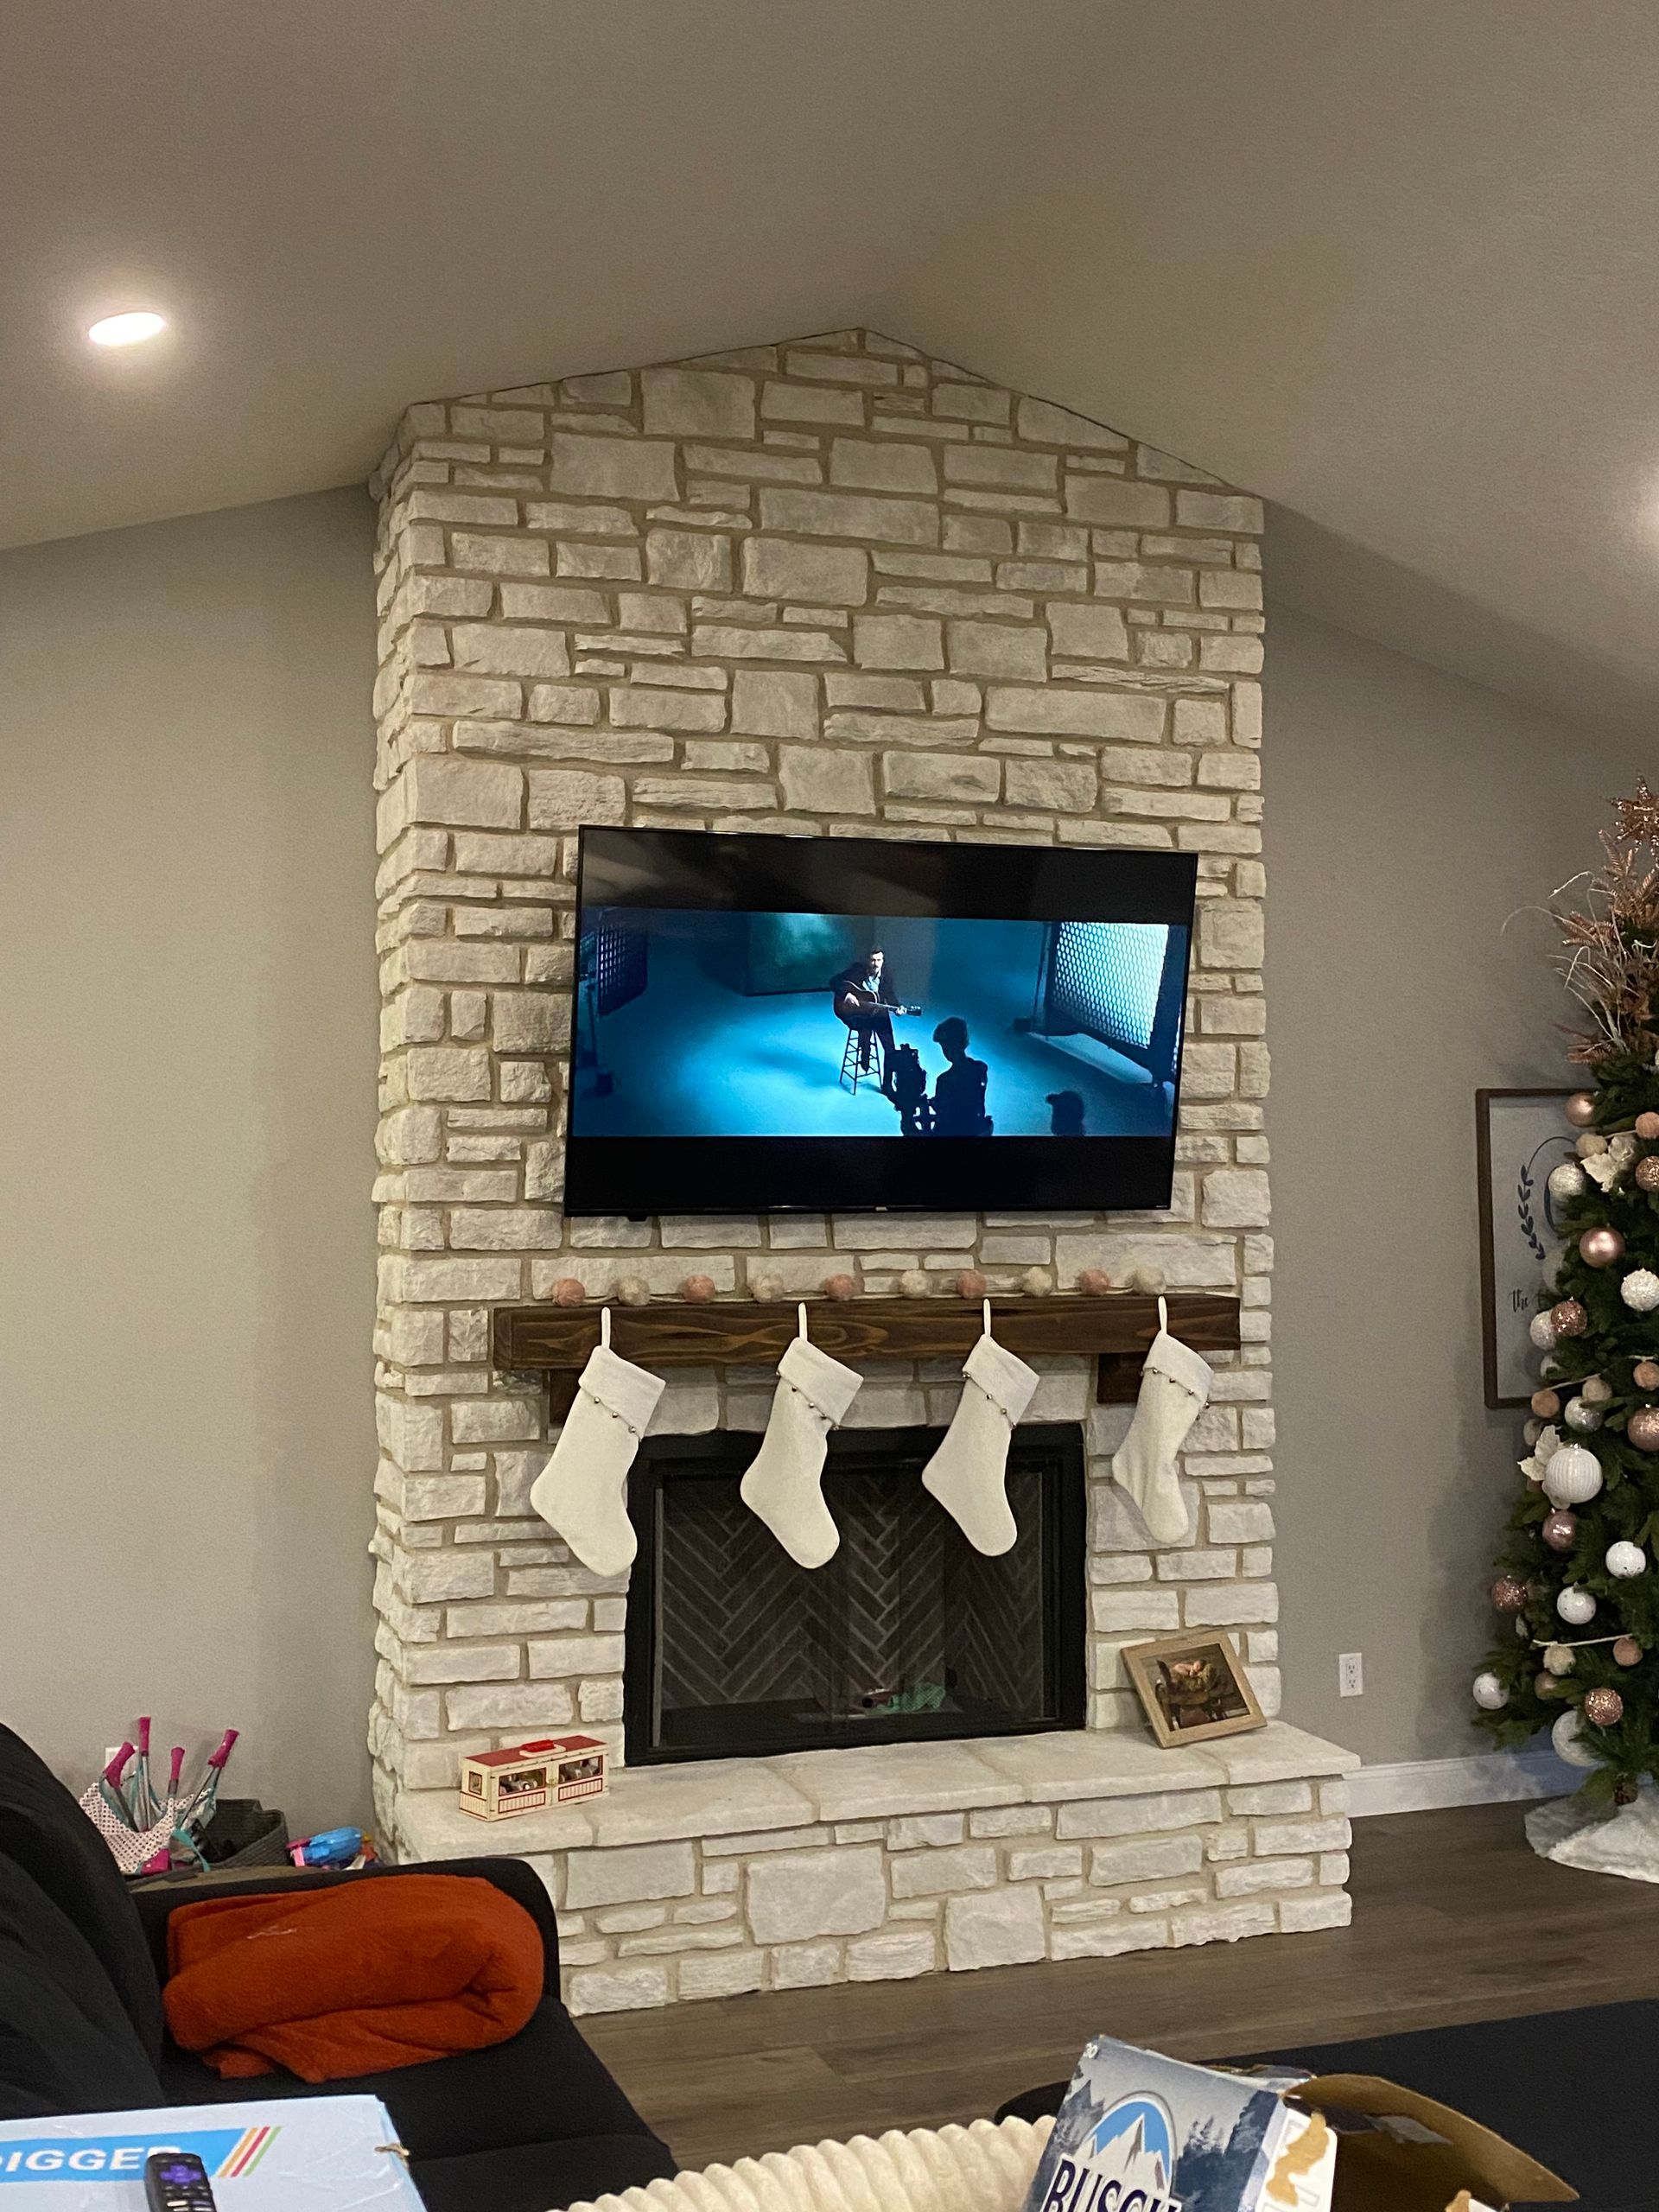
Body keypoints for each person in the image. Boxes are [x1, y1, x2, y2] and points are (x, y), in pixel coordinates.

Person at [830, 946, 906, 1085]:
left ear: (883, 961)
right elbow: (834, 981)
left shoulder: (886, 975)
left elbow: (890, 995)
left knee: (890, 1048)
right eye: (872, 960)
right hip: (857, 1014)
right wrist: (847, 994)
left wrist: (897, 1007)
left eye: (879, 960)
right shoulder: (857, 970)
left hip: (878, 1013)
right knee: (865, 1029)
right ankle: (864, 1051)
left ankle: (887, 1084)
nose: (876, 964)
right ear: (867, 961)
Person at [930, 1017, 991, 1136]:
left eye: (947, 1045)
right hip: (976, 1127)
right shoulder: (980, 1069)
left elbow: (946, 1115)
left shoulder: (945, 1080)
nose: (946, 1051)